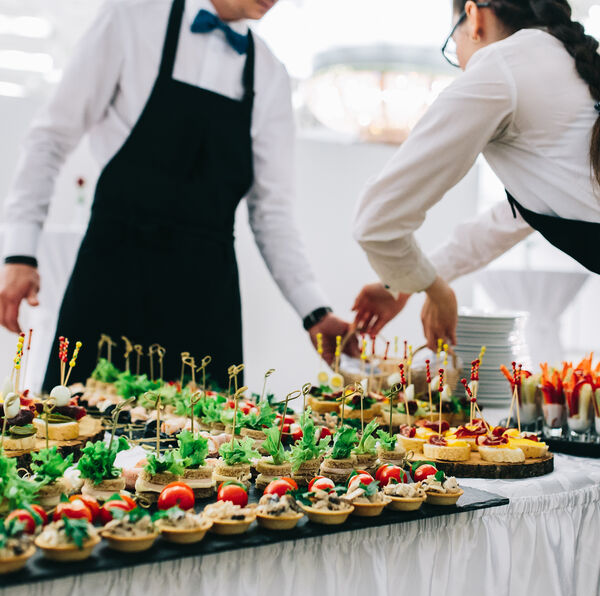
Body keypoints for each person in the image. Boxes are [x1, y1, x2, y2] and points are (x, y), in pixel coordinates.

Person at [0, 0, 356, 390]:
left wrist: (315, 312)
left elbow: (272, 213)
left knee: (208, 445)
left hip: (204, 302)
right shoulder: (130, 18)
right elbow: (50, 139)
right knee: (75, 437)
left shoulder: (270, 74)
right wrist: (20, 253)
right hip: (112, 280)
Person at [352, 0, 600, 349]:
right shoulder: (568, 61)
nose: (459, 55)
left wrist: (435, 290)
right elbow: (514, 217)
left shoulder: (501, 64)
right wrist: (410, 281)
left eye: (453, 41)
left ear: (474, 17)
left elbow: (376, 219)